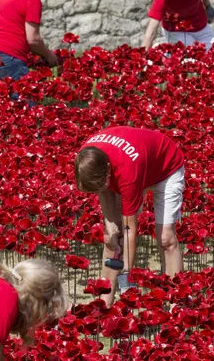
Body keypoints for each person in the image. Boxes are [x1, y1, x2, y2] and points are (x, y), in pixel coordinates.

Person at [74, 126, 185, 303]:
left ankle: (175, 304)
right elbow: (103, 192)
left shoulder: (127, 173)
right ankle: (104, 306)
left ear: (108, 171)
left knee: (166, 238)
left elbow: (130, 230)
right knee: (111, 239)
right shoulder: (86, 158)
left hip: (165, 167)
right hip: (123, 166)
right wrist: (111, 232)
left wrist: (126, 276)